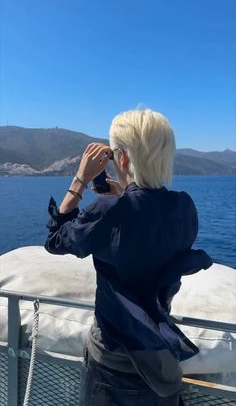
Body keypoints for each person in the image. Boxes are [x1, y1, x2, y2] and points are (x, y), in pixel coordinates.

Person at [45, 109, 212, 406]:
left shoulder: (111, 211)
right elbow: (147, 229)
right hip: (160, 359)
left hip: (114, 364)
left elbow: (56, 241)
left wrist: (81, 181)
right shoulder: (184, 207)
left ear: (122, 159)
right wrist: (125, 193)